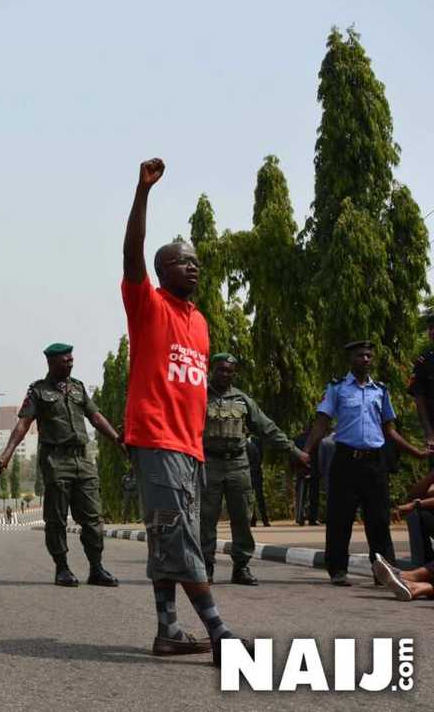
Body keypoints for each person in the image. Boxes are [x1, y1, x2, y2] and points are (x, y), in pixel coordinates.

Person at [122, 158, 241, 667]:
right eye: (180, 261)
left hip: (190, 449)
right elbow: (131, 252)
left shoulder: (201, 323)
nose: (192, 265)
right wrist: (142, 192)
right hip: (157, 440)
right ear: (160, 271)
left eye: (195, 260)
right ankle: (220, 633)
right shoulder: (147, 304)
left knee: (165, 538)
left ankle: (168, 630)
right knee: (181, 536)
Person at [302, 340, 428, 587]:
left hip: (374, 463)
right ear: (351, 359)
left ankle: (383, 571)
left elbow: (389, 430)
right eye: (361, 355)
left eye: (370, 355)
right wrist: (306, 451)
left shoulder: (380, 391)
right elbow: (322, 423)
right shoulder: (337, 388)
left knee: (379, 519)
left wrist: (416, 452)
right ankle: (338, 570)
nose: (366, 359)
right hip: (345, 460)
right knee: (340, 517)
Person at [0, 343, 123, 588]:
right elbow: (23, 425)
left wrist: (118, 440)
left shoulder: (77, 388)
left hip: (83, 460)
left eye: (71, 360)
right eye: (65, 361)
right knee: (56, 519)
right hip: (56, 461)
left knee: (92, 519)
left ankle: (96, 568)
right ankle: (62, 568)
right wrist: (6, 455)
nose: (70, 363)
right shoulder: (38, 391)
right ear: (51, 363)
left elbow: (96, 417)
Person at [200, 354, 309, 586]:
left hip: (238, 465)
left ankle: (241, 567)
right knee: (205, 519)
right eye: (220, 370)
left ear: (234, 373)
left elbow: (267, 428)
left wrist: (294, 451)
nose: (225, 374)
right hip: (209, 464)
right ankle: (205, 567)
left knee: (242, 517)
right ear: (212, 370)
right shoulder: (199, 397)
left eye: (229, 371)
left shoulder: (243, 400)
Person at [408, 309, 434, 471]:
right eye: (431, 328)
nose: (432, 331)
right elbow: (419, 398)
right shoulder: (423, 361)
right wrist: (429, 432)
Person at [246, 437, 269, 528]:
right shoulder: (241, 443)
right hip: (247, 473)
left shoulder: (257, 441)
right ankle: (252, 519)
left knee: (260, 497)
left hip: (257, 473)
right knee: (249, 498)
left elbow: (261, 456)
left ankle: (265, 519)